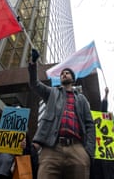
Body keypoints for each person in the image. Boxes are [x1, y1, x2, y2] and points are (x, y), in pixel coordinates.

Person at [28, 49, 95, 179]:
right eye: (62, 74)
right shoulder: (52, 93)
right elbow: (34, 84)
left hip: (78, 149)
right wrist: (33, 63)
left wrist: (88, 151)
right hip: (51, 149)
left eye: (67, 73)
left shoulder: (81, 99)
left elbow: (89, 124)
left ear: (73, 79)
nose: (64, 74)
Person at [90, 87, 114, 179]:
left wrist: (106, 95)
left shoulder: (106, 128)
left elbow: (103, 110)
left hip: (112, 151)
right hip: (99, 156)